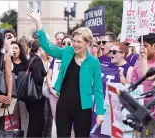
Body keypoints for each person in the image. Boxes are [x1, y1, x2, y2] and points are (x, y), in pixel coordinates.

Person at [26, 7, 104, 137]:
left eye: (79, 42)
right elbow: (47, 47)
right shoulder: (67, 52)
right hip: (63, 105)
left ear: (87, 43)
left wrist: (100, 112)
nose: (75, 44)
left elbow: (98, 89)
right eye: (74, 41)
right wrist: (38, 22)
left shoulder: (93, 63)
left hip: (83, 108)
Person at [132, 33, 155, 103]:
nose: (142, 49)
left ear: (154, 46)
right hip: (139, 105)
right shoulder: (137, 63)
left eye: (145, 46)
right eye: (141, 46)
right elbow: (133, 83)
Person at [24, 40, 47, 137]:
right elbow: (38, 78)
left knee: (34, 121)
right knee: (36, 123)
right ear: (40, 49)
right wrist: (47, 80)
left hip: (29, 95)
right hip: (36, 97)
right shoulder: (37, 60)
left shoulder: (30, 58)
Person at [11, 41, 29, 138]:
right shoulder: (6, 61)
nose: (14, 50)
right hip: (11, 94)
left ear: (20, 50)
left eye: (16, 48)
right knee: (11, 119)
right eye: (12, 48)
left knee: (24, 118)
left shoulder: (26, 62)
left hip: (23, 94)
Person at [40, 48, 53, 138]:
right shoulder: (37, 60)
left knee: (49, 119)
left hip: (51, 93)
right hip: (40, 94)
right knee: (43, 119)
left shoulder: (52, 60)